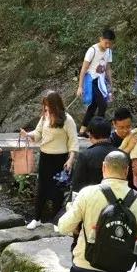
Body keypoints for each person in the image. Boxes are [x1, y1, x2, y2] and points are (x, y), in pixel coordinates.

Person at [21, 90, 79, 230]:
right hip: (45, 157)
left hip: (60, 159)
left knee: (58, 190)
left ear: (55, 105)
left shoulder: (67, 119)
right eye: (45, 105)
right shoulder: (44, 117)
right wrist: (27, 135)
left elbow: (73, 141)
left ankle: (56, 221)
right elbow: (38, 133)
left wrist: (70, 159)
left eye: (48, 105)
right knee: (41, 188)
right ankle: (36, 219)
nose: (46, 108)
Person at [77, 29, 115, 137]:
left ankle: (82, 131)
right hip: (91, 81)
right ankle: (98, 132)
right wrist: (80, 86)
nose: (108, 45)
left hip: (101, 81)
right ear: (101, 39)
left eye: (110, 43)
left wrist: (111, 84)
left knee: (93, 106)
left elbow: (107, 69)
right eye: (106, 42)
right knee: (103, 105)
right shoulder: (92, 50)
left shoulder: (108, 51)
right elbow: (84, 69)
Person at [70, 116, 114, 192]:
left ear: (90, 134)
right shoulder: (120, 154)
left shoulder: (85, 155)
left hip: (91, 196)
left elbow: (77, 185)